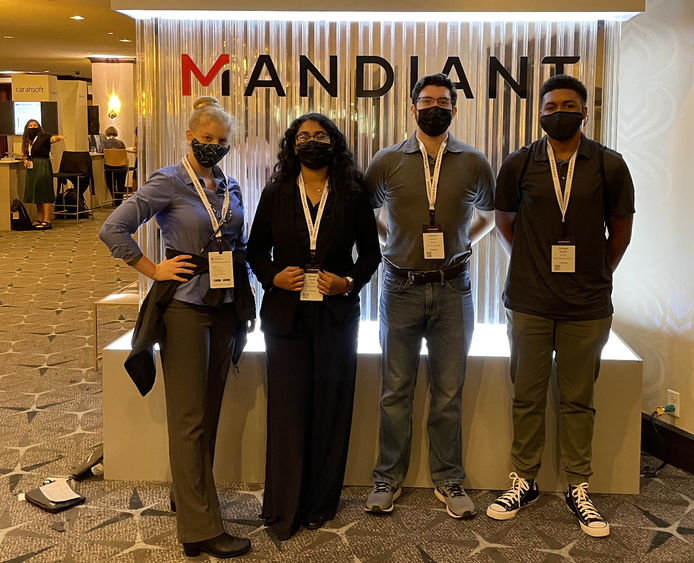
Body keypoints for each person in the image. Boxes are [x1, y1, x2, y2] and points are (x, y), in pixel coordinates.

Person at [99, 96, 256, 558]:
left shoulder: (229, 185)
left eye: (221, 141)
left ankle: (187, 497)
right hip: (185, 308)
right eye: (206, 139)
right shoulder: (168, 181)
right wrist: (153, 269)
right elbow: (113, 229)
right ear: (189, 137)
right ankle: (200, 529)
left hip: (225, 307)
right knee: (189, 419)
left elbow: (236, 241)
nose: (214, 147)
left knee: (208, 412)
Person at [488, 74, 635, 538]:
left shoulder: (609, 165)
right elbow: (504, 223)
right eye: (551, 106)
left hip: (587, 304)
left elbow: (621, 231)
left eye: (568, 105)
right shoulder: (518, 163)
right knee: (527, 395)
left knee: (578, 398)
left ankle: (578, 485)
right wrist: (534, 265)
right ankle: (523, 480)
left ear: (584, 112)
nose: (559, 111)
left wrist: (595, 272)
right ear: (540, 113)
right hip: (530, 300)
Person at [364, 73, 495, 519]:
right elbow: (368, 211)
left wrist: (466, 241)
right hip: (399, 286)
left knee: (448, 391)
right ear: (412, 107)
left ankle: (449, 479)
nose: (434, 107)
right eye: (426, 100)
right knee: (394, 389)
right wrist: (391, 239)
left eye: (443, 101)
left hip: (454, 288)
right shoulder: (387, 161)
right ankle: (387, 477)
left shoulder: (474, 162)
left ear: (454, 110)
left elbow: (490, 214)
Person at [247, 113, 381, 540]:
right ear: (292, 144)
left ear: (334, 143)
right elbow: (254, 251)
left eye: (319, 136)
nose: (311, 142)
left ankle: (321, 502)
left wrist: (348, 283)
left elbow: (371, 257)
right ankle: (285, 507)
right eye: (303, 136)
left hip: (336, 314)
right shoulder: (275, 192)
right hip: (286, 316)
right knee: (287, 411)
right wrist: (272, 277)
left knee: (331, 408)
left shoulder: (353, 194)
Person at [21, 119, 65, 230]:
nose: (33, 127)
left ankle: (47, 220)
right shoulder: (27, 139)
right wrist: (25, 159)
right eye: (30, 125)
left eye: (35, 125)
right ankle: (39, 218)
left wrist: (59, 138)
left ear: (39, 127)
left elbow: (52, 139)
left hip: (42, 165)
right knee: (37, 192)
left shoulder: (44, 136)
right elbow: (26, 153)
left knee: (44, 191)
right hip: (32, 167)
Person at [102, 126, 129, 204]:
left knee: (110, 181)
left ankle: (114, 198)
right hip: (121, 167)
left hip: (109, 168)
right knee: (121, 182)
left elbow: (101, 151)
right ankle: (119, 199)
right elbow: (124, 153)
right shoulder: (121, 143)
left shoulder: (104, 142)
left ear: (107, 133)